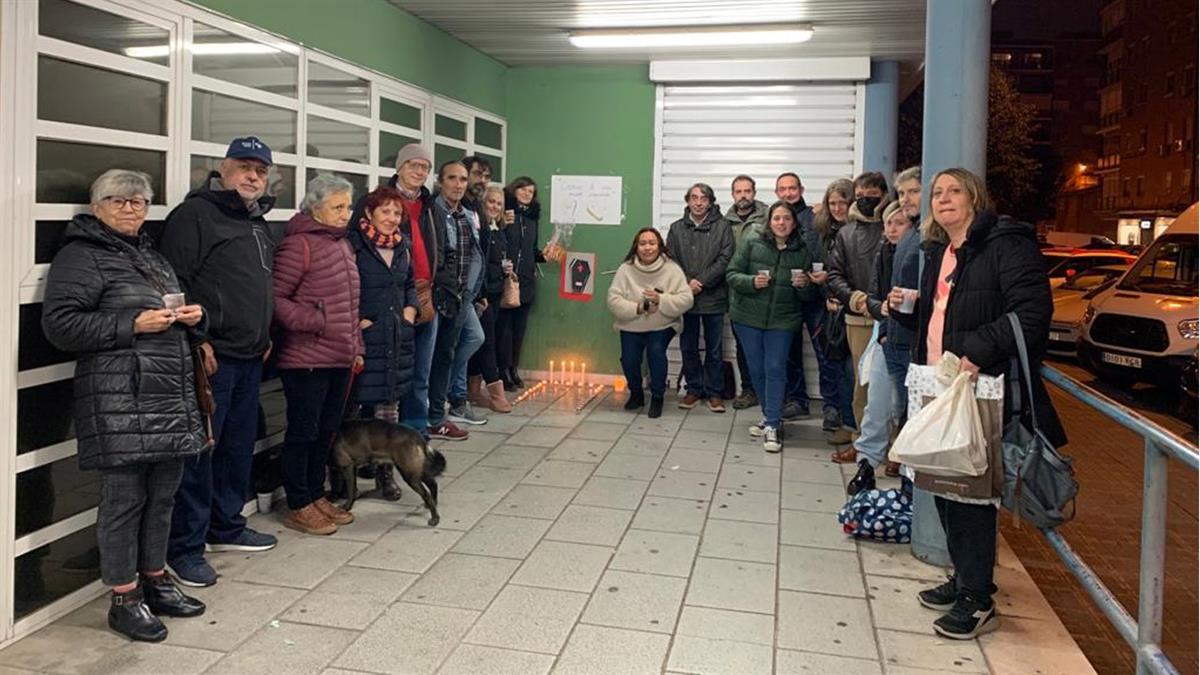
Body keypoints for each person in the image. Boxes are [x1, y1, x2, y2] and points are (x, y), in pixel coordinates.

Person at [894, 167, 1064, 639]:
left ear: (974, 198)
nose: (943, 199)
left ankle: (978, 598)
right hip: (937, 385)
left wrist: (975, 351)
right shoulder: (940, 251)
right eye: (936, 193)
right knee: (943, 486)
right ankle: (964, 578)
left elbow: (1032, 315)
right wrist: (904, 312)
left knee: (971, 495)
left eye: (954, 191)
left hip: (979, 389)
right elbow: (938, 317)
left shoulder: (1005, 244)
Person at [43, 170, 208, 642]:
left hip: (168, 395)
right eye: (120, 201)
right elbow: (61, 326)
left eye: (140, 201)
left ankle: (156, 580)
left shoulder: (150, 255)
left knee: (162, 499)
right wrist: (132, 324)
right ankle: (124, 597)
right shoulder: (80, 256)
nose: (132, 209)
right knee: (124, 502)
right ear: (97, 208)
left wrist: (194, 317)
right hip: (122, 398)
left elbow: (169, 313)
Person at [160, 137, 279, 588]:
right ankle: (185, 548)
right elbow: (173, 282)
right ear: (222, 169)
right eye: (245, 167)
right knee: (200, 453)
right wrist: (198, 338)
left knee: (235, 448)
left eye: (261, 170)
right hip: (213, 359)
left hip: (251, 356)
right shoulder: (196, 215)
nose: (253, 177)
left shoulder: (255, 221)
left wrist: (264, 334)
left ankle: (226, 526)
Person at [272, 174, 363, 535]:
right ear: (315, 209)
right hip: (306, 358)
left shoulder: (342, 244)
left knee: (326, 431)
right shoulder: (299, 245)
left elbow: (352, 305)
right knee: (303, 431)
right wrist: (314, 321)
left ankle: (315, 493)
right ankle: (298, 503)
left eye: (348, 206)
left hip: (340, 355)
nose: (346, 213)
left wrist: (357, 345)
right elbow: (276, 299)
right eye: (337, 207)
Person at [351, 144, 441, 440]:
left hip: (420, 295)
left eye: (425, 167)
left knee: (415, 371)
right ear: (399, 168)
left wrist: (410, 309)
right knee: (373, 384)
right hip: (376, 312)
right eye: (413, 165)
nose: (419, 172)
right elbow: (352, 277)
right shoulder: (365, 222)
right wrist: (363, 317)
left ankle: (413, 433)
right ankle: (372, 447)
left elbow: (438, 247)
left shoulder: (429, 205)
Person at [347, 185, 420, 501]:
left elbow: (409, 284)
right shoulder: (354, 245)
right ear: (368, 213)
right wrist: (361, 319)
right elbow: (345, 287)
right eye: (385, 212)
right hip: (367, 337)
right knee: (357, 405)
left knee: (388, 409)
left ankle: (385, 474)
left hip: (396, 335)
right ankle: (348, 473)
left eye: (397, 212)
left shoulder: (402, 245)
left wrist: (410, 310)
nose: (392, 218)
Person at [726, 201, 817, 453]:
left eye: (786, 218)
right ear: (769, 221)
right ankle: (769, 416)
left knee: (775, 367)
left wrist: (804, 285)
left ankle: (774, 425)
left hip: (783, 320)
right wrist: (752, 282)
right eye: (776, 218)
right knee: (757, 370)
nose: (781, 223)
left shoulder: (802, 250)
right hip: (747, 317)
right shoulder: (752, 241)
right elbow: (732, 274)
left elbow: (809, 295)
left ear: (794, 222)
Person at [844, 202, 911, 495]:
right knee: (878, 404)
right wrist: (882, 325)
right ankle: (867, 464)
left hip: (913, 343)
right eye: (888, 223)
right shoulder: (884, 252)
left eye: (899, 223)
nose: (892, 229)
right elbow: (875, 295)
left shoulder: (920, 254)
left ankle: (908, 468)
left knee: (904, 406)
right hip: (887, 338)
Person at [827, 171, 890, 451]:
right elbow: (834, 273)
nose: (866, 201)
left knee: (894, 385)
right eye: (860, 196)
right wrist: (856, 299)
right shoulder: (846, 232)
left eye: (872, 195)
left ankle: (893, 445)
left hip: (893, 316)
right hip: (858, 318)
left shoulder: (895, 226)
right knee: (861, 383)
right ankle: (862, 440)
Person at [607, 228, 694, 419]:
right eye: (643, 243)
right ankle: (636, 393)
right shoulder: (625, 269)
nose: (648, 248)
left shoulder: (672, 269)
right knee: (629, 359)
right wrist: (637, 308)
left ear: (660, 246)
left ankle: (657, 397)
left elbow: (687, 299)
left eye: (652, 243)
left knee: (656, 352)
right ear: (636, 247)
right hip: (632, 323)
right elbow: (613, 300)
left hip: (662, 324)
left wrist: (661, 299)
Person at [426, 161, 484, 440]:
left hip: (462, 296)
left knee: (456, 349)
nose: (459, 184)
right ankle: (433, 412)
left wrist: (471, 291)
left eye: (463, 179)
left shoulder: (468, 215)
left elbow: (475, 254)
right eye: (452, 178)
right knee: (434, 356)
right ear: (440, 181)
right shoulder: (433, 212)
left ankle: (440, 408)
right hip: (438, 296)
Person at [667, 183, 735, 412]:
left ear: (710, 201)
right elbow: (671, 260)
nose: (698, 202)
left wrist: (701, 282)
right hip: (685, 298)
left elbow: (725, 258)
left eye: (703, 198)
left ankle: (714, 392)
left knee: (715, 348)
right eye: (693, 198)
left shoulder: (723, 226)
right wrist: (686, 283)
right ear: (687, 201)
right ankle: (693, 389)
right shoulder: (676, 228)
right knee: (688, 346)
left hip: (714, 296)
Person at [811, 179, 857, 441]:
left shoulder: (859, 231)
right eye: (833, 203)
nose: (838, 208)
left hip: (850, 306)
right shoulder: (823, 231)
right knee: (831, 363)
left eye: (843, 202)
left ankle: (851, 422)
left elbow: (853, 272)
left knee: (851, 369)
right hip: (827, 307)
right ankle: (836, 413)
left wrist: (833, 288)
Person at [774, 172, 821, 420]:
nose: (787, 193)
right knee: (790, 352)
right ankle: (797, 400)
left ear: (801, 190)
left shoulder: (816, 217)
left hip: (814, 296)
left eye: (792, 188)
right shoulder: (774, 219)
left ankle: (832, 407)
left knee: (824, 353)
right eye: (782, 189)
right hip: (787, 297)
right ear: (776, 192)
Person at [468, 185, 514, 413]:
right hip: (482, 295)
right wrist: (480, 294)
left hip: (496, 293)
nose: (495, 206)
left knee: (485, 340)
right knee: (487, 342)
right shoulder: (481, 230)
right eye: (491, 202)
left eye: (499, 203)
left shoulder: (499, 230)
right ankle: (497, 393)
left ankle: (474, 390)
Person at [724, 175, 769, 410]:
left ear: (754, 192)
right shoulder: (725, 221)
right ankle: (749, 390)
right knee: (743, 346)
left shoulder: (769, 216)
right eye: (738, 191)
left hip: (765, 291)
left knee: (771, 347)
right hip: (737, 292)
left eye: (747, 191)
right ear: (733, 195)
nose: (743, 195)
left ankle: (774, 393)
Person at [497, 176, 545, 391]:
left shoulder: (533, 219)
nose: (527, 194)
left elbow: (532, 252)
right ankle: (502, 370)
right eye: (523, 189)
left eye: (531, 192)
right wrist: (501, 223)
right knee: (504, 330)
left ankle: (513, 368)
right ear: (513, 190)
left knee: (519, 330)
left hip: (525, 281)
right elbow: (495, 241)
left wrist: (545, 255)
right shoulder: (504, 213)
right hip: (506, 280)